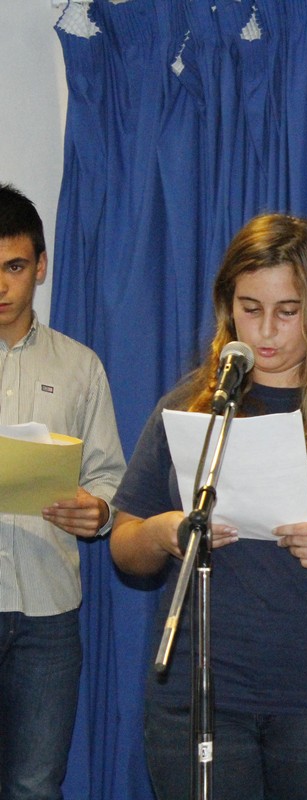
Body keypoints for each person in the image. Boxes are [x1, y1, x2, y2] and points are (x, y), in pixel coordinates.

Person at [110, 213, 307, 800]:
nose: (265, 331)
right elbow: (125, 545)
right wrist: (164, 533)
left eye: (288, 312)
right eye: (249, 308)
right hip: (200, 697)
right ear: (227, 306)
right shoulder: (192, 407)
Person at [0, 183, 126, 800]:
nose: (1, 285)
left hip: (47, 613)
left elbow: (110, 478)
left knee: (33, 787)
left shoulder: (81, 367)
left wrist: (98, 511)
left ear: (41, 267)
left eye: (14, 267)